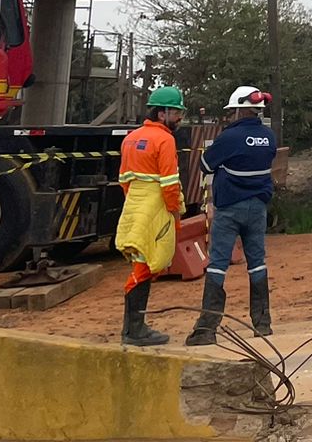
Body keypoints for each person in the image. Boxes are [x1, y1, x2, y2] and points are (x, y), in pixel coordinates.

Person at [186, 86, 278, 346]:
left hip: (229, 209)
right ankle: (262, 324)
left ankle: (206, 329)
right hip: (257, 208)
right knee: (257, 263)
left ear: (239, 109)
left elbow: (205, 165)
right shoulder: (269, 137)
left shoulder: (229, 137)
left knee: (218, 264)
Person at [115, 86, 187, 347]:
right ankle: (134, 330)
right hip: (155, 207)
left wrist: (135, 204)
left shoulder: (130, 138)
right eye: (177, 112)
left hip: (133, 205)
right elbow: (170, 183)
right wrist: (174, 211)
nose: (179, 118)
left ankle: (134, 328)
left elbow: (123, 180)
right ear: (162, 113)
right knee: (145, 267)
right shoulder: (165, 140)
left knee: (141, 262)